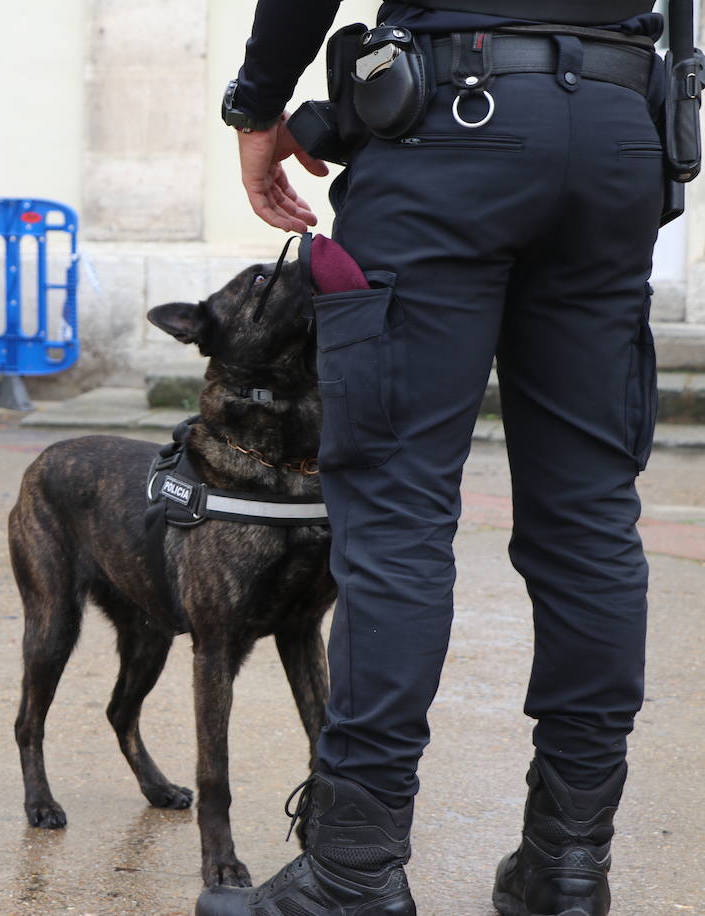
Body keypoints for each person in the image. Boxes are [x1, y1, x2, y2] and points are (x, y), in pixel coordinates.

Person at [199, 2, 671, 915]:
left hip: (454, 126)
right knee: (589, 520)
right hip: (619, 128)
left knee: (396, 516)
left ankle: (354, 870)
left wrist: (257, 105)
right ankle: (568, 863)